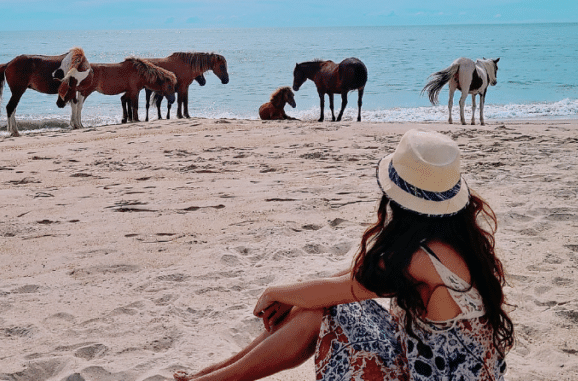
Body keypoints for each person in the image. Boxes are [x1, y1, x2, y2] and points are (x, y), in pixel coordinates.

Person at [174, 129, 513, 381]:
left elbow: (345, 289)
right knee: (320, 305)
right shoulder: (456, 238)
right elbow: (351, 279)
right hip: (438, 366)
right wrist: (294, 297)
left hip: (432, 373)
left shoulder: (420, 259)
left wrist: (274, 293)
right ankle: (213, 375)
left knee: (319, 314)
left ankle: (216, 379)